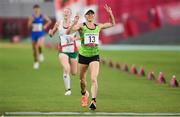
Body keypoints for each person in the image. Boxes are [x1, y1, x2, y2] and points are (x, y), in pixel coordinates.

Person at [67, 4, 115, 110]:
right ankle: (84, 94)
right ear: (85, 16)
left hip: (94, 56)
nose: (90, 16)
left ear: (94, 16)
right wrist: (74, 23)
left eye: (91, 14)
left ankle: (93, 101)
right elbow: (69, 32)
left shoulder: (98, 26)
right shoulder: (81, 26)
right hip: (83, 56)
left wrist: (110, 13)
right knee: (82, 81)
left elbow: (112, 23)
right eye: (88, 14)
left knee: (93, 79)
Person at [48, 8, 78, 96]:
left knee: (74, 72)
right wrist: (50, 32)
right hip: (63, 50)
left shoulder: (74, 22)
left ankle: (68, 67)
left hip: (73, 50)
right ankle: (68, 89)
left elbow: (80, 31)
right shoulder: (59, 23)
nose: (66, 13)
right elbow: (52, 34)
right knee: (66, 68)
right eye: (64, 12)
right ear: (63, 14)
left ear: (70, 14)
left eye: (68, 12)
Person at [28, 4, 52, 69]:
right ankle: (36, 62)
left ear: (39, 9)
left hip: (40, 33)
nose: (36, 10)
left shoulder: (42, 16)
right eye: (35, 9)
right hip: (34, 33)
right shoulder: (32, 17)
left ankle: (40, 53)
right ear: (33, 9)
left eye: (37, 8)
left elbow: (49, 21)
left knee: (38, 45)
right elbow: (28, 25)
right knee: (34, 48)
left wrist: (45, 26)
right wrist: (31, 24)